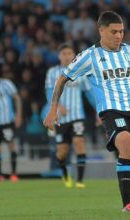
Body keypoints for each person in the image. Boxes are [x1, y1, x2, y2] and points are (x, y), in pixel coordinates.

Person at [44, 11, 130, 212]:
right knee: (126, 145)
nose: (119, 36)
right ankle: (128, 204)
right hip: (111, 111)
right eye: (114, 31)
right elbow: (62, 78)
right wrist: (53, 108)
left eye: (121, 31)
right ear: (101, 31)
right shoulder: (89, 56)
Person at [45, 44, 96, 188]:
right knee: (62, 152)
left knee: (79, 143)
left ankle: (79, 180)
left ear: (74, 55)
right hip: (60, 119)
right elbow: (49, 91)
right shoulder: (52, 73)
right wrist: (57, 107)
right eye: (64, 53)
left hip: (77, 116)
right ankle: (65, 174)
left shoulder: (80, 72)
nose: (67, 56)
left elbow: (89, 93)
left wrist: (98, 111)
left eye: (70, 53)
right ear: (59, 56)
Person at [0, 71, 22, 182]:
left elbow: (17, 99)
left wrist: (18, 115)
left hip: (7, 121)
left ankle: (14, 173)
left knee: (11, 145)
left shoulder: (6, 83)